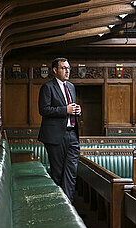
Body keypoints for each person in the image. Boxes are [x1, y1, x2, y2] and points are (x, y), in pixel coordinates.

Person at [38, 58, 82, 201]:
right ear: (55, 70)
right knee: (58, 173)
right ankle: (59, 204)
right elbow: (44, 110)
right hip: (55, 136)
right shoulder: (47, 87)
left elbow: (71, 108)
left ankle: (67, 203)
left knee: (71, 172)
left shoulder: (71, 87)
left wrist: (77, 110)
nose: (67, 71)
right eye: (63, 68)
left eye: (68, 68)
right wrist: (66, 110)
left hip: (72, 134)